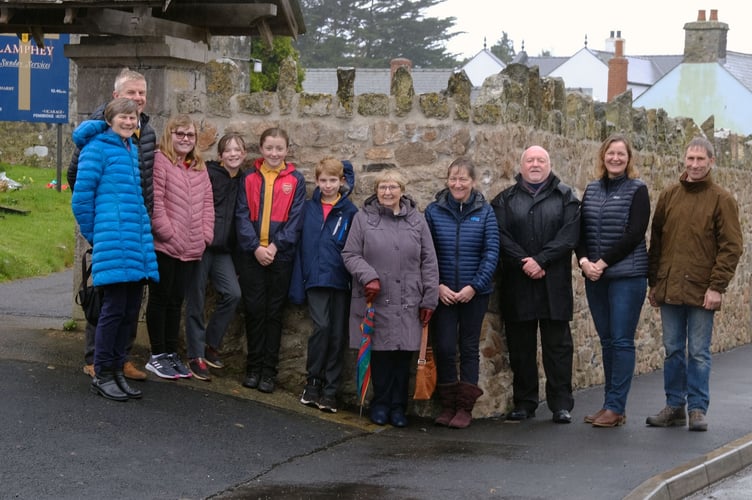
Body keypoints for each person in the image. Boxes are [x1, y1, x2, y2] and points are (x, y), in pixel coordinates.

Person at [645, 136, 743, 432]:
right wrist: (654, 283)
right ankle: (675, 405)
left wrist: (717, 287)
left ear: (712, 162)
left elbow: (731, 247)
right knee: (673, 349)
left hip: (703, 290)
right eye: (691, 159)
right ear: (684, 160)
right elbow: (657, 242)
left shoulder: (721, 199)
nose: (695, 164)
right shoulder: (669, 195)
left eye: (701, 159)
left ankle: (698, 409)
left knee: (698, 351)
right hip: (670, 287)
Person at [68, 68, 156, 382]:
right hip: (112, 232)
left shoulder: (141, 134)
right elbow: (79, 186)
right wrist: (99, 232)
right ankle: (100, 365)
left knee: (130, 305)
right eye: (131, 93)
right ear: (116, 99)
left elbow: (143, 182)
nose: (138, 100)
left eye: (142, 94)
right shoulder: (98, 138)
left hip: (136, 231)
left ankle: (119, 363)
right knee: (110, 304)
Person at [342, 170, 439, 428]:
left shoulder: (417, 221)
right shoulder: (363, 219)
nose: (387, 192)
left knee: (402, 356)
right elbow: (350, 254)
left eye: (392, 187)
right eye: (382, 187)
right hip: (376, 298)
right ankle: (381, 404)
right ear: (376, 191)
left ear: (402, 190)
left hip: (409, 299)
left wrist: (430, 299)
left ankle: (399, 407)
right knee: (380, 354)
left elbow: (429, 260)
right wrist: (368, 276)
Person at [491, 145, 580, 424]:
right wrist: (524, 262)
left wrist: (541, 261)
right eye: (530, 160)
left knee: (558, 348)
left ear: (549, 165)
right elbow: (500, 236)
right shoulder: (504, 199)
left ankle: (561, 404)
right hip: (518, 283)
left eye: (541, 160)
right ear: (521, 166)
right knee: (521, 348)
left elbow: (569, 236)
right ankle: (525, 402)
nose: (535, 164)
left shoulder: (566, 197)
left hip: (554, 283)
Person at [576, 134, 650, 427]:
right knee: (606, 340)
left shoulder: (638, 189)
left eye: (621, 154)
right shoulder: (592, 189)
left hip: (627, 277)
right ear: (603, 156)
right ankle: (610, 404)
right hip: (595, 277)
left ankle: (616, 406)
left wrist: (602, 263)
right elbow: (579, 231)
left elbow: (634, 233)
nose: (615, 158)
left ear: (629, 159)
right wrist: (584, 263)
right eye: (611, 153)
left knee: (621, 341)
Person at [424, 157, 499, 429]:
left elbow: (491, 253)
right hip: (442, 292)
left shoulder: (486, 212)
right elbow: (426, 253)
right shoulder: (433, 211)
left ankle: (464, 408)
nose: (458, 184)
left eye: (463, 179)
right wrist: (437, 285)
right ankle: (447, 405)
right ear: (447, 181)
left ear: (473, 182)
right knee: (444, 347)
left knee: (468, 348)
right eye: (453, 179)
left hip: (473, 294)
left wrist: (474, 286)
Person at [236, 127, 306, 394]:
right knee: (254, 311)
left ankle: (269, 372)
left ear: (287, 150)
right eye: (269, 148)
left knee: (274, 314)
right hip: (252, 255)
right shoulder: (249, 178)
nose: (274, 153)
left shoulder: (296, 180)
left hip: (281, 256)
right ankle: (252, 368)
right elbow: (241, 216)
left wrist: (275, 246)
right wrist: (255, 247)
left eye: (279, 148)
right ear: (261, 149)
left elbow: (296, 219)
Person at [145, 115, 214, 380]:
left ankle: (171, 353)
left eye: (190, 135)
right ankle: (157, 354)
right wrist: (167, 232)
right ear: (169, 135)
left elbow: (208, 203)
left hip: (192, 246)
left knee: (176, 302)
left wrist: (205, 235)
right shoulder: (160, 161)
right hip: (165, 246)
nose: (185, 139)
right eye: (180, 134)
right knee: (160, 298)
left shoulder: (199, 165)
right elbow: (156, 201)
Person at [289, 157, 358, 413]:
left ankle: (330, 390)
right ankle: (313, 381)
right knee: (322, 327)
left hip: (340, 282)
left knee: (338, 334)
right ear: (316, 182)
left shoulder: (351, 212)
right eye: (323, 180)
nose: (328, 186)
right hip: (315, 280)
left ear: (342, 182)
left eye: (333, 180)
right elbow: (299, 248)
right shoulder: (308, 209)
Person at [183, 133, 245, 381]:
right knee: (196, 300)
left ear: (244, 154)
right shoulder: (208, 174)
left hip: (223, 250)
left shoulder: (243, 180)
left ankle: (210, 344)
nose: (233, 154)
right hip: (201, 244)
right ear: (220, 156)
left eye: (238, 150)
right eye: (228, 150)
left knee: (233, 294)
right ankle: (195, 355)